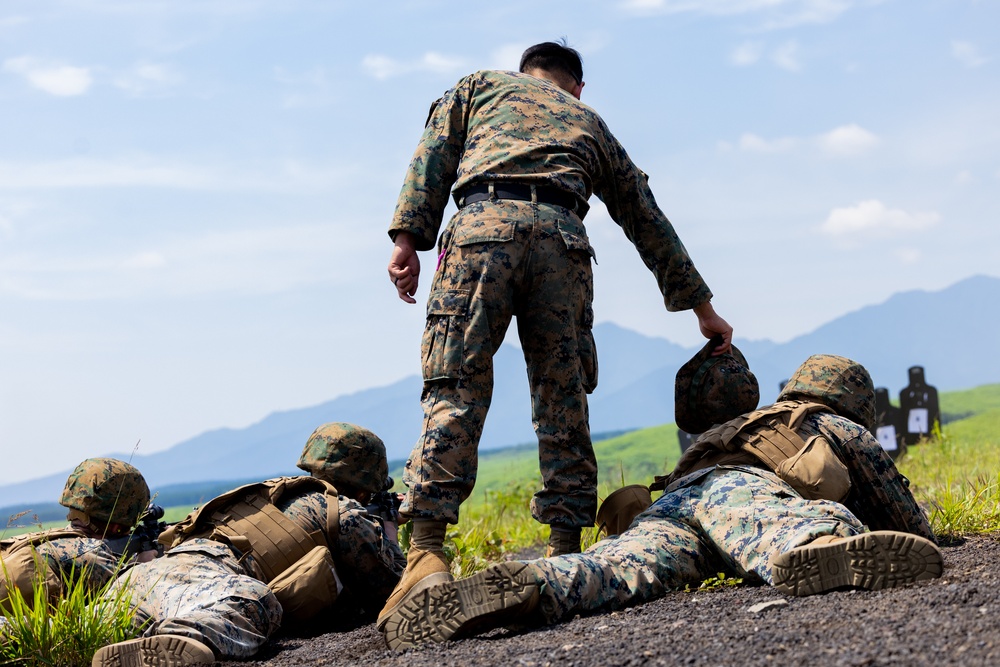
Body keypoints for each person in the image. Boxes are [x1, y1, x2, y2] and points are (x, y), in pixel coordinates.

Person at [382, 39, 734, 627]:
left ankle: (426, 553)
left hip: (479, 230)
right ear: (576, 86)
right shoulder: (589, 122)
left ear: (528, 73)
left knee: (456, 387)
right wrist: (703, 310)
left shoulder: (479, 87)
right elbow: (647, 219)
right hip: (561, 240)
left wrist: (406, 241)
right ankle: (564, 553)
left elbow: (432, 157)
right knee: (561, 397)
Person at [380, 354, 943, 650]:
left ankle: (533, 585)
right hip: (740, 492)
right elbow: (906, 519)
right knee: (795, 525)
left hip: (673, 505)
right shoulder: (827, 422)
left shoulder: (729, 426)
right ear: (853, 399)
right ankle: (821, 548)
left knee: (620, 569)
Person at [92, 422, 405, 667]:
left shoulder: (268, 495)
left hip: (143, 579)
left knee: (112, 629)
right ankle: (177, 637)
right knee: (258, 601)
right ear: (364, 489)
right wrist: (388, 527)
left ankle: (124, 642)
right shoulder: (341, 511)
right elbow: (393, 588)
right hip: (207, 580)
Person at [1, 457, 152, 613]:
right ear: (116, 525)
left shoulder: (50, 542)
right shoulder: (88, 555)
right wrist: (145, 565)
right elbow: (142, 600)